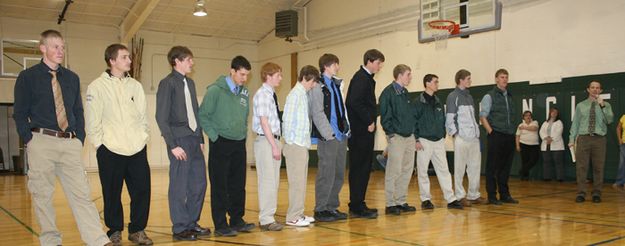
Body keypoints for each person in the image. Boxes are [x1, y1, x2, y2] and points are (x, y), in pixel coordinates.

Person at [13, 29, 112, 246]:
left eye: (63, 47)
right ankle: (51, 241)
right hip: (41, 142)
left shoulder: (72, 78)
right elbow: (19, 113)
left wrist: (79, 138)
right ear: (43, 48)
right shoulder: (27, 77)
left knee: (82, 195)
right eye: (55, 46)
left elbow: (78, 110)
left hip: (70, 143)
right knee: (43, 197)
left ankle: (97, 240)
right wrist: (29, 139)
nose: (60, 51)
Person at [86, 44, 152, 245]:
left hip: (137, 149)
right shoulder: (96, 87)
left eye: (129, 57)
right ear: (112, 61)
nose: (129, 61)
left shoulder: (136, 86)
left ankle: (137, 230)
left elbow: (142, 116)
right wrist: (100, 145)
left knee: (142, 191)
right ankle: (114, 230)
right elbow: (92, 120)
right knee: (112, 193)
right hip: (110, 150)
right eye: (124, 57)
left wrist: (143, 137)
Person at [155, 46, 210, 241]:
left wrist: (200, 138)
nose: (191, 63)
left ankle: (191, 223)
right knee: (179, 185)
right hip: (179, 140)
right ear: (176, 61)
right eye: (188, 60)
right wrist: (172, 145)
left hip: (194, 140)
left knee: (199, 183)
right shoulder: (167, 83)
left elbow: (195, 111)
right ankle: (180, 228)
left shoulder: (191, 83)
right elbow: (161, 117)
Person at [198, 56, 255, 236]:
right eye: (242, 74)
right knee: (220, 185)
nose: (245, 79)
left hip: (239, 144)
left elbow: (244, 116)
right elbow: (203, 116)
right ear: (232, 71)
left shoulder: (244, 92)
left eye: (247, 75)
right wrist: (215, 137)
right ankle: (221, 225)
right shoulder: (215, 90)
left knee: (238, 185)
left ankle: (237, 220)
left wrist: (243, 135)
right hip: (221, 143)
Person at [310, 53, 351, 222]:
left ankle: (331, 206)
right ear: (326, 66)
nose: (338, 67)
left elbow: (341, 108)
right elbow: (317, 112)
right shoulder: (317, 86)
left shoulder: (337, 84)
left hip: (341, 135)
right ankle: (320, 209)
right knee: (326, 172)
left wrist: (346, 128)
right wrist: (328, 133)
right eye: (336, 64)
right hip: (328, 135)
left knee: (339, 172)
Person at [414, 74, 463, 210]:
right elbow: (413, 121)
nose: (437, 84)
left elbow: (442, 119)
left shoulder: (438, 101)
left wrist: (442, 134)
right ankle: (425, 199)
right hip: (423, 140)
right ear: (427, 83)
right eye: (435, 82)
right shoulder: (418, 102)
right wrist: (416, 139)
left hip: (438, 140)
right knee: (422, 171)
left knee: (444, 170)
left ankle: (451, 199)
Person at [345, 49, 385, 219]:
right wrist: (369, 120)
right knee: (359, 168)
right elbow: (354, 102)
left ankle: (358, 203)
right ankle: (356, 205)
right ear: (369, 61)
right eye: (378, 63)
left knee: (363, 168)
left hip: (363, 131)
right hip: (360, 131)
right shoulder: (361, 78)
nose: (380, 66)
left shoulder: (366, 78)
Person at [282, 65, 320, 227]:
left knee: (301, 182)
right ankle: (293, 217)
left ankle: (298, 213)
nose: (313, 85)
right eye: (312, 82)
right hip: (295, 145)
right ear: (305, 78)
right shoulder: (295, 95)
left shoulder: (303, 95)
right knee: (296, 183)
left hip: (301, 145)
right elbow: (287, 122)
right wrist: (292, 142)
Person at [379, 64, 418, 215]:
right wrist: (391, 134)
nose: (410, 77)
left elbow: (409, 115)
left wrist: (413, 133)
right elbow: (385, 116)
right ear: (400, 75)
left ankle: (401, 201)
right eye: (408, 74)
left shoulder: (405, 93)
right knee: (393, 171)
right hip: (396, 137)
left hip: (409, 137)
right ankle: (390, 204)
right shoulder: (388, 93)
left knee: (407, 170)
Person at [569, 81, 614, 203]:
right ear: (588, 89)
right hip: (583, 138)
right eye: (592, 87)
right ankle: (581, 192)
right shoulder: (581, 106)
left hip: (599, 139)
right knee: (581, 167)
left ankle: (597, 193)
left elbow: (609, 120)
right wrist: (571, 139)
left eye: (597, 88)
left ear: (601, 90)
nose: (595, 90)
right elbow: (576, 123)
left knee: (598, 167)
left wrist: (602, 106)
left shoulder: (606, 105)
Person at [252, 62, 285, 231]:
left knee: (274, 182)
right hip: (266, 141)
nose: (281, 78)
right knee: (267, 181)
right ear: (268, 76)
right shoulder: (263, 95)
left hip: (272, 139)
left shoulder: (271, 95)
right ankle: (266, 219)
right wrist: (274, 145)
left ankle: (269, 216)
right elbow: (264, 122)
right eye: (278, 75)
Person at [445, 69, 484, 207]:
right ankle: (460, 195)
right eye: (468, 78)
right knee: (460, 168)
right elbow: (449, 118)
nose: (470, 81)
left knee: (474, 167)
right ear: (460, 80)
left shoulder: (469, 96)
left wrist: (476, 134)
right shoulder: (452, 96)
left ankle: (473, 194)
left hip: (473, 138)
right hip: (461, 138)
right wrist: (456, 133)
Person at [479, 69, 519, 205]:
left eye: (506, 77)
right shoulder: (489, 96)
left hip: (509, 135)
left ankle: (504, 195)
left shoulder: (510, 96)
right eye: (502, 77)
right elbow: (483, 116)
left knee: (505, 167)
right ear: (496, 79)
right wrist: (491, 132)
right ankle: (491, 196)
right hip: (496, 135)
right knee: (492, 167)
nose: (504, 80)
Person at [539, 107, 565, 182]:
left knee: (558, 161)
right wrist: (546, 138)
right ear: (550, 113)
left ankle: (560, 178)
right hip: (546, 144)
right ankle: (547, 177)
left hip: (556, 144)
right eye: (553, 112)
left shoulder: (559, 122)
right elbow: (541, 132)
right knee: (546, 161)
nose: (554, 114)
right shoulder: (545, 123)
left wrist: (551, 139)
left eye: (556, 112)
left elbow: (558, 132)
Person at [516, 111, 540, 181]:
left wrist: (524, 128)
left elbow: (534, 128)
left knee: (534, 159)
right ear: (524, 117)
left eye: (529, 115)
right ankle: (525, 176)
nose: (528, 117)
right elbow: (517, 136)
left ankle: (522, 171)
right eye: (526, 115)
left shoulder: (535, 122)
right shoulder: (520, 125)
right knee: (524, 161)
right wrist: (517, 145)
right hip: (523, 144)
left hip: (534, 145)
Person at [613, 114, 625, 190]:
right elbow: (618, 128)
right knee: (622, 164)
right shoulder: (624, 117)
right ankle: (619, 182)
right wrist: (619, 140)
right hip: (624, 144)